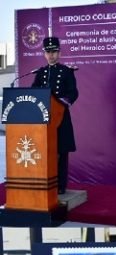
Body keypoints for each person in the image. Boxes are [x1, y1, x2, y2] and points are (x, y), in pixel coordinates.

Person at [32, 36, 78, 195]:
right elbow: (33, 91)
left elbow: (73, 92)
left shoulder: (66, 72)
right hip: (43, 119)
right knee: (45, 151)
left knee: (61, 150)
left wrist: (62, 102)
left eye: (54, 52)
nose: (51, 55)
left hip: (60, 117)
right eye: (48, 52)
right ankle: (45, 182)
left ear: (59, 53)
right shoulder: (41, 72)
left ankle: (60, 185)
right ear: (44, 54)